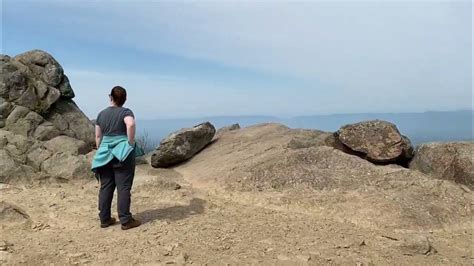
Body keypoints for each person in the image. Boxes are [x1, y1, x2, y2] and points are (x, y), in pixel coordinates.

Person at [91, 86, 143, 230]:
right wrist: (130, 142)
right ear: (125, 99)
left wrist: (100, 148)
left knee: (106, 187)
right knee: (123, 187)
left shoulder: (101, 114)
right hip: (123, 153)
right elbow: (130, 124)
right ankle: (125, 220)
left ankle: (105, 219)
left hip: (105, 153)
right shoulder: (126, 112)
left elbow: (98, 136)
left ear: (110, 97)